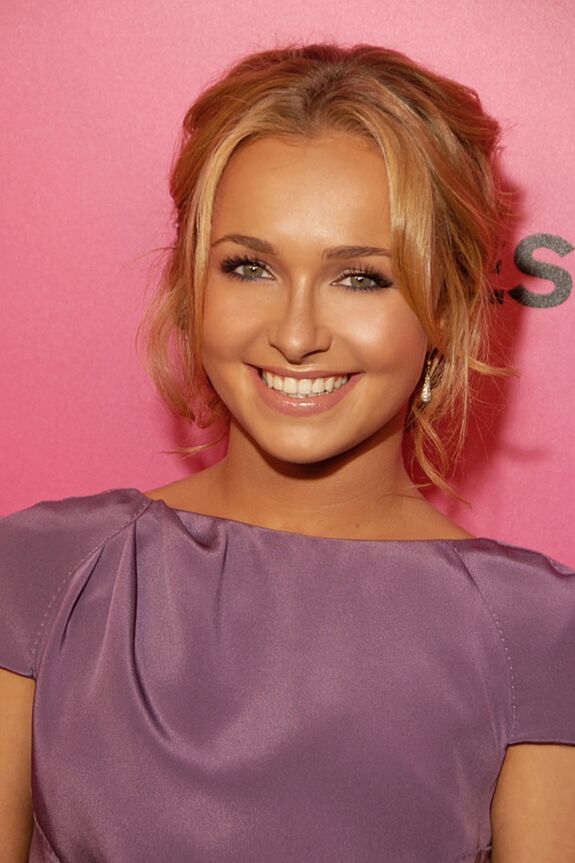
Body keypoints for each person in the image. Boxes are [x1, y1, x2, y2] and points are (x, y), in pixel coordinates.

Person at [1, 43, 574, 863]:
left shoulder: (534, 628)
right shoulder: (45, 575)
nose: (296, 334)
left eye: (360, 278)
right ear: (192, 287)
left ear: (447, 307)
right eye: (250, 267)